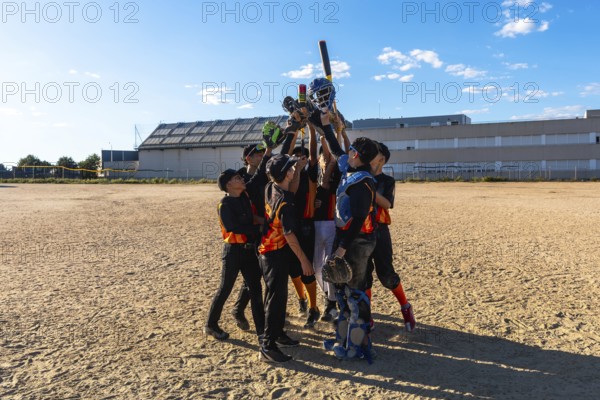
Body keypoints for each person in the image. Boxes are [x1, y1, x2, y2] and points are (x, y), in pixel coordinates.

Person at [310, 78, 379, 362]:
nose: (347, 153)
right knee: (340, 293)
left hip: (357, 241)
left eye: (352, 152)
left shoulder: (362, 182)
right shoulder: (351, 169)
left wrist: (340, 248)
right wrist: (326, 124)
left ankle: (357, 346)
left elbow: (359, 219)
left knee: (356, 295)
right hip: (345, 237)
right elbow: (337, 150)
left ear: (359, 157)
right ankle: (341, 337)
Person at [204, 145, 271, 341]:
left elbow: (253, 217)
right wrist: (258, 228)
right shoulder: (224, 204)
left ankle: (262, 332)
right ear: (228, 185)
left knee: (255, 289)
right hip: (233, 252)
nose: (241, 179)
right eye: (236, 178)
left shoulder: (245, 198)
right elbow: (233, 227)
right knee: (225, 288)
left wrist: (267, 222)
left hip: (249, 251)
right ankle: (211, 324)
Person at [258, 154, 315, 363]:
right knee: (276, 300)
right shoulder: (285, 204)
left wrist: (298, 170)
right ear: (285, 173)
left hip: (270, 251)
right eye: (291, 167)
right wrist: (304, 260)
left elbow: (291, 190)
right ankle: (267, 346)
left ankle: (277, 333)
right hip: (273, 254)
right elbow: (290, 235)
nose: (293, 168)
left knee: (274, 297)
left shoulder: (271, 187)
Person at [367, 142, 416, 332]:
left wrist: (368, 186)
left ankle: (405, 306)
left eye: (374, 153)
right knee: (363, 275)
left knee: (386, 275)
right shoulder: (359, 175)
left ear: (381, 159)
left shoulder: (387, 181)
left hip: (380, 231)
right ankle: (366, 314)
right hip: (361, 231)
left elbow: (387, 204)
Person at [230, 143, 267, 331]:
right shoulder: (240, 178)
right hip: (250, 232)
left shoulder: (264, 175)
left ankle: (241, 309)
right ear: (248, 158)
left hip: (264, 228)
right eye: (257, 154)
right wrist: (260, 222)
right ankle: (239, 309)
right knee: (254, 275)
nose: (261, 156)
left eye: (262, 153)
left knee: (259, 274)